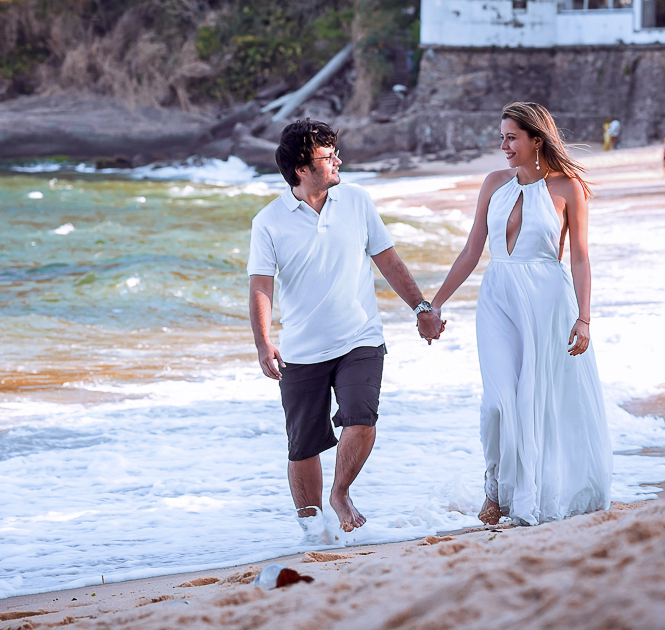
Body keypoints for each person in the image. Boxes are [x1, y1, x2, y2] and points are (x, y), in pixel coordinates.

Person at [247, 119, 443, 533]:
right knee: (302, 446)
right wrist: (264, 343)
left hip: (360, 337)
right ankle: (311, 531)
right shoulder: (268, 222)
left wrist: (421, 308)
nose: (338, 160)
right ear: (302, 168)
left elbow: (387, 260)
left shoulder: (356, 200)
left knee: (362, 417)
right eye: (327, 155)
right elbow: (261, 286)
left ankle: (340, 493)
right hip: (302, 350)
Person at [427, 102, 611, 526]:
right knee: (497, 401)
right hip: (498, 295)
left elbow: (580, 258)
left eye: (512, 137)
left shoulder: (568, 189)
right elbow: (472, 251)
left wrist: (584, 318)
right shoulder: (494, 183)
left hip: (547, 300)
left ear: (536, 141)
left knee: (536, 399)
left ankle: (526, 493)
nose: (504, 145)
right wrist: (435, 303)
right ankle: (494, 485)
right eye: (503, 136)